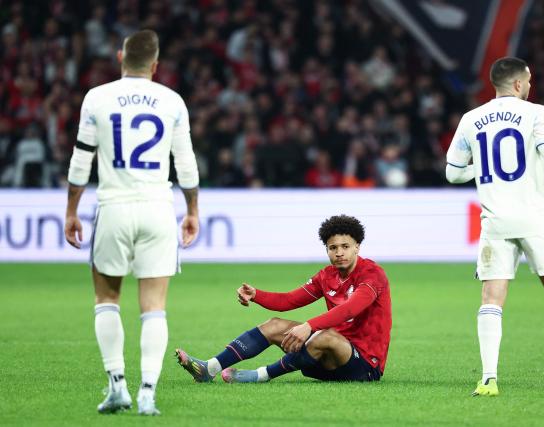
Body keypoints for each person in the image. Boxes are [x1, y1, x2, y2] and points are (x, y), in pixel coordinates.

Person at [445, 57, 544, 396]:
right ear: (518, 84)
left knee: (491, 300)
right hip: (535, 218)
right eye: (528, 80)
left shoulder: (470, 119)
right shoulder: (534, 113)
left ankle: (488, 379)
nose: (530, 86)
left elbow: (453, 173)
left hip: (495, 221)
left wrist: (484, 167)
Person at [64, 30, 199, 415]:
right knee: (153, 307)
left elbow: (80, 161)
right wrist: (192, 211)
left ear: (120, 56)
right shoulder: (172, 101)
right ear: (155, 65)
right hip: (158, 208)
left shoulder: (97, 97)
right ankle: (148, 393)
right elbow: (186, 164)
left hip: (114, 207)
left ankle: (117, 385)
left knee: (106, 300)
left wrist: (71, 210)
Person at [176, 215, 391, 384]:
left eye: (345, 246)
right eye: (333, 247)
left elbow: (350, 309)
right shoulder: (326, 276)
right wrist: (257, 295)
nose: (339, 253)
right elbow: (289, 300)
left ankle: (260, 375)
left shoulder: (373, 274)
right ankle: (209, 368)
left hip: (363, 366)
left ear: (357, 247)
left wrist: (308, 326)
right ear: (326, 249)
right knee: (274, 325)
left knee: (324, 336)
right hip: (324, 360)